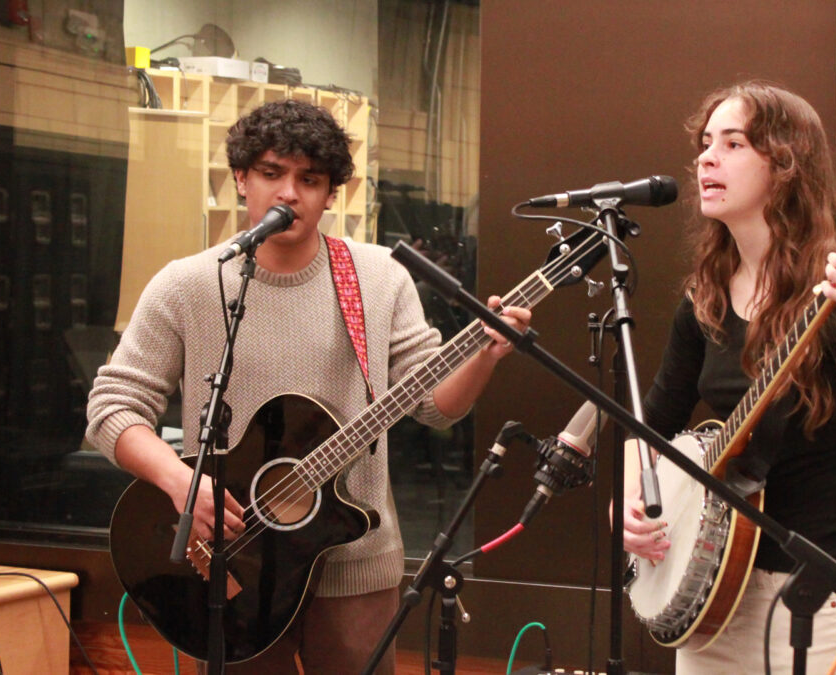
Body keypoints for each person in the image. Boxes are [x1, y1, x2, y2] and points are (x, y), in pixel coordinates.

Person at [85, 99, 530, 674]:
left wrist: (486, 356)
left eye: (310, 180)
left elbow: (435, 406)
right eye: (271, 173)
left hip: (354, 563)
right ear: (241, 178)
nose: (289, 193)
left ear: (330, 194)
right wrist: (180, 481)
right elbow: (112, 407)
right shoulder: (188, 285)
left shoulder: (378, 278)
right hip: (232, 560)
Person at [621, 81, 836, 674]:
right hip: (709, 608)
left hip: (819, 614)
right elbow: (650, 427)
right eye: (705, 143)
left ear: (787, 166)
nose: (706, 158)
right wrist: (633, 505)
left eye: (733, 143)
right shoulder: (705, 299)